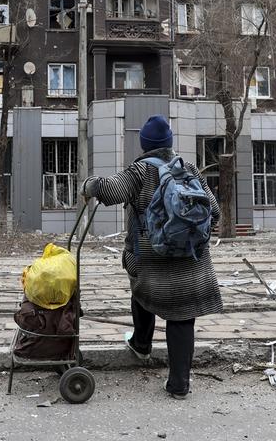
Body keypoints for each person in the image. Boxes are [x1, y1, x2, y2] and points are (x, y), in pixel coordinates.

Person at [82, 115, 222, 399]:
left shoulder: (140, 171)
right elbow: (215, 212)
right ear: (169, 144)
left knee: (140, 285)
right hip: (192, 261)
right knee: (182, 317)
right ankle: (179, 385)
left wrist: (89, 184)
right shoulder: (189, 169)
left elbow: (109, 190)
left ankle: (141, 344)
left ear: (144, 144)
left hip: (153, 261)